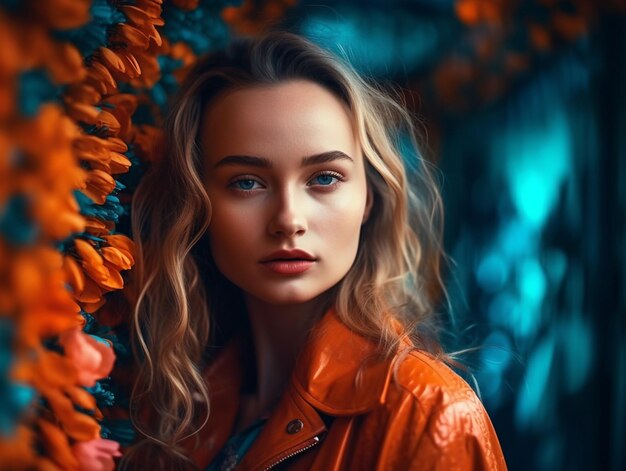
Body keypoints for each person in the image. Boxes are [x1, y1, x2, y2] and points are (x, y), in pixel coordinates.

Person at [124, 31, 507, 470]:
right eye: (246, 182)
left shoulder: (429, 413)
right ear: (195, 206)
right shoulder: (178, 411)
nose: (289, 219)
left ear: (368, 198)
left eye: (324, 178)